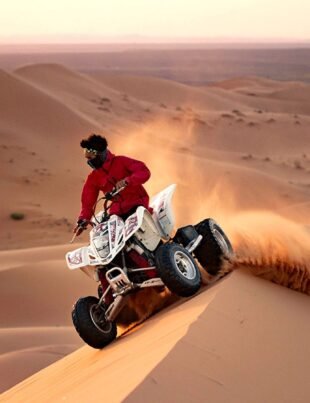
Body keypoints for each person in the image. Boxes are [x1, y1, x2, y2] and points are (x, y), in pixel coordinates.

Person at [73, 134, 151, 236]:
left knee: (139, 234)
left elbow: (144, 171)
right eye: (86, 154)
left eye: (91, 154)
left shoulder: (121, 161)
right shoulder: (93, 178)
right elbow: (87, 202)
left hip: (137, 205)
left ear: (100, 153)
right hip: (116, 212)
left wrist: (128, 180)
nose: (88, 159)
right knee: (106, 237)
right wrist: (83, 220)